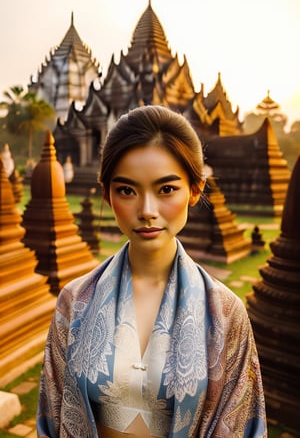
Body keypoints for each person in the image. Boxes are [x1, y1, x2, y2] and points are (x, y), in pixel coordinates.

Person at [37, 105, 267, 437]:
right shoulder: (74, 302)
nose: (147, 211)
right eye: (127, 190)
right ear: (107, 193)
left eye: (166, 189)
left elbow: (241, 426)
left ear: (195, 190)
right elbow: (52, 418)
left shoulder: (226, 313)